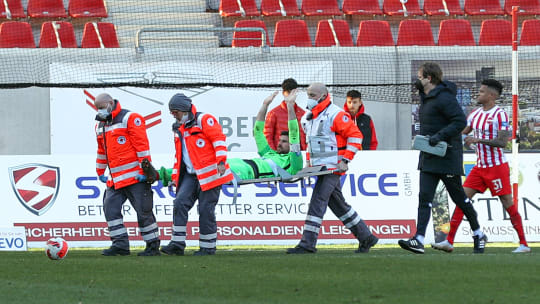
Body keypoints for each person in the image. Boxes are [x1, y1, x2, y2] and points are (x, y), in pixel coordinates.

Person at [432, 79, 531, 253]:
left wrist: (478, 140)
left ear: (492, 96)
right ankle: (449, 241)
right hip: (479, 168)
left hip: (496, 167)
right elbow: (462, 133)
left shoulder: (500, 114)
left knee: (507, 202)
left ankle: (523, 244)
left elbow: (502, 142)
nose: (478, 94)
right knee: (462, 200)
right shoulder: (475, 114)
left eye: (482, 92)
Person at [398, 62, 487, 254]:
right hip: (430, 155)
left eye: (420, 77)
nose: (417, 80)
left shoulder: (445, 98)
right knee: (424, 197)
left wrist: (438, 137)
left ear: (429, 79)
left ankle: (478, 233)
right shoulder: (428, 97)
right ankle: (418, 239)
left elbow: (460, 122)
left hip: (447, 155)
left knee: (460, 199)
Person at [287, 82, 379, 254]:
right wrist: (309, 164)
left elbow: (356, 136)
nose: (310, 98)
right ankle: (366, 236)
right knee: (338, 205)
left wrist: (345, 160)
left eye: (313, 95)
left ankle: (307, 244)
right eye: (308, 95)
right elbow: (310, 143)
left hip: (332, 168)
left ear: (323, 95)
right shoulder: (309, 116)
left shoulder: (336, 114)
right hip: (320, 168)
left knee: (317, 202)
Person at [158, 90, 303, 183]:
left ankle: (159, 175)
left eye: (284, 142)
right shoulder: (269, 153)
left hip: (245, 171)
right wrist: (265, 105)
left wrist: (289, 107)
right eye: (280, 140)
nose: (279, 143)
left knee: (202, 171)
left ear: (292, 146)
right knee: (198, 165)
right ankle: (158, 173)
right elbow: (258, 131)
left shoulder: (294, 164)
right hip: (235, 162)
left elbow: (294, 133)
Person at [160, 93, 233, 256]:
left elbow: (219, 140)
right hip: (191, 176)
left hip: (211, 175)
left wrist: (221, 161)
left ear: (184, 110)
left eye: (175, 112)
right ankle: (177, 244)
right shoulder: (179, 128)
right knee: (179, 203)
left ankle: (207, 247)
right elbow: (179, 156)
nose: (174, 116)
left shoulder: (204, 120)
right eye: (172, 113)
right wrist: (174, 178)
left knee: (206, 209)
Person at [94, 93, 160, 256]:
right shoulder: (100, 125)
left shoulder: (130, 118)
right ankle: (120, 245)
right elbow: (102, 151)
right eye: (98, 108)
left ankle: (152, 245)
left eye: (101, 107)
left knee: (143, 211)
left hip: (135, 177)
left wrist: (146, 171)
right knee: (110, 208)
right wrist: (100, 171)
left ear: (110, 103)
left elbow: (142, 146)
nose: (100, 111)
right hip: (115, 179)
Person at [264, 78, 307, 151]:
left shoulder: (303, 114)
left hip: (299, 155)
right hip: (280, 155)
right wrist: (273, 154)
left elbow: (306, 137)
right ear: (283, 93)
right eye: (287, 92)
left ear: (296, 92)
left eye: (292, 92)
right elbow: (267, 136)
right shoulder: (273, 113)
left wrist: (304, 152)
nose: (290, 95)